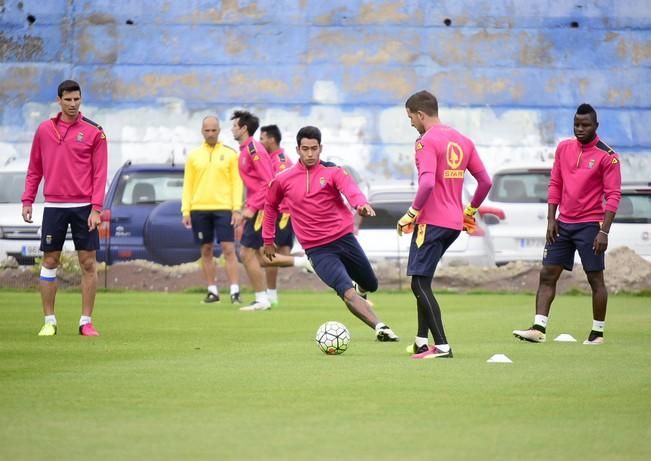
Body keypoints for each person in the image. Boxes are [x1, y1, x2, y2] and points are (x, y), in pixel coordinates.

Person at [262, 125, 399, 342]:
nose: (309, 153)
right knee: (346, 292)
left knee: (371, 284)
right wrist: (268, 239)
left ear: (320, 148)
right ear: (297, 149)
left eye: (314, 149)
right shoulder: (283, 179)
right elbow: (270, 206)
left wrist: (360, 205)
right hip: (317, 249)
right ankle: (380, 327)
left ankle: (362, 288)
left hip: (344, 239)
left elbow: (351, 190)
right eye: (305, 148)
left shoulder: (332, 171)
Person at [513, 103, 622, 345]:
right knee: (547, 274)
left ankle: (597, 333)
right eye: (576, 124)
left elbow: (613, 195)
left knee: (595, 279)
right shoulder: (563, 148)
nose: (580, 129)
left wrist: (603, 231)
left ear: (596, 126)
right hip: (563, 224)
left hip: (590, 226)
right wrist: (552, 219)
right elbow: (555, 184)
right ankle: (538, 328)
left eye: (585, 125)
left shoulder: (608, 157)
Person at [401, 90, 492, 359]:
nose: (410, 124)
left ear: (420, 114)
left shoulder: (425, 142)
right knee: (424, 279)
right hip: (453, 223)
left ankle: (441, 346)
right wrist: (470, 210)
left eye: (410, 118)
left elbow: (427, 182)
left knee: (418, 284)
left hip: (430, 221)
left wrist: (411, 213)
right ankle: (420, 341)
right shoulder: (463, 140)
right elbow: (485, 181)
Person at [21, 79, 108, 337]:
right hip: (54, 206)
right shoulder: (44, 130)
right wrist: (28, 200)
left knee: (88, 263)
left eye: (76, 99)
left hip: (84, 207)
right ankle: (49, 321)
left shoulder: (95, 132)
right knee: (50, 261)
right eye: (68, 99)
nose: (72, 104)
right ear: (59, 100)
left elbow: (100, 174)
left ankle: (86, 322)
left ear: (81, 100)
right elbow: (34, 168)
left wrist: (96, 208)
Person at [230, 111, 312, 311]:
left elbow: (269, 182)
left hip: (262, 208)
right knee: (256, 256)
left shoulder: (252, 148)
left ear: (243, 128)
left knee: (247, 253)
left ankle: (263, 298)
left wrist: (252, 208)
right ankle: (300, 264)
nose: (231, 129)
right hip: (258, 207)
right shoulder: (245, 150)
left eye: (234, 125)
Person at [182, 116, 244, 304]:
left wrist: (236, 208)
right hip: (199, 208)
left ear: (219, 131)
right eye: (207, 130)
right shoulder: (193, 156)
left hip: (224, 208)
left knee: (228, 249)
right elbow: (188, 184)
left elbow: (236, 182)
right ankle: (212, 291)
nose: (210, 134)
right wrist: (186, 210)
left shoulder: (231, 154)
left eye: (213, 130)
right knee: (206, 250)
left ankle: (234, 292)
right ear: (202, 131)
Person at [260, 124, 295, 306]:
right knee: (281, 255)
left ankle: (271, 293)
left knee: (269, 254)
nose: (260, 142)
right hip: (283, 212)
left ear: (272, 139)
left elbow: (281, 187)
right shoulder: (273, 158)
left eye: (263, 138)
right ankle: (305, 261)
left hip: (282, 213)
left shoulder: (280, 160)